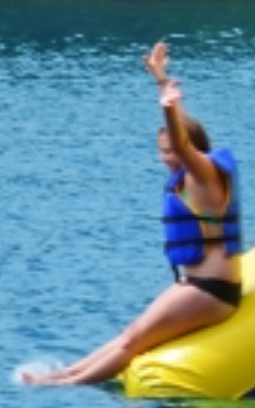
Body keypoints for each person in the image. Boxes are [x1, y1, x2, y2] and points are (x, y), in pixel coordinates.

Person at [21, 41, 243, 387]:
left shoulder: (204, 176)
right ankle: (65, 372)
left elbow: (183, 144)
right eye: (162, 152)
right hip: (199, 284)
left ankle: (65, 385)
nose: (167, 158)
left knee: (132, 341)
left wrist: (167, 105)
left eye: (171, 151)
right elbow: (181, 137)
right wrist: (161, 79)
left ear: (191, 149)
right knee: (130, 333)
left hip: (214, 290)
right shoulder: (192, 178)